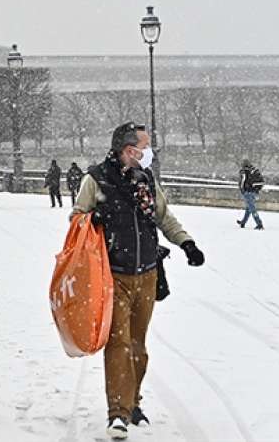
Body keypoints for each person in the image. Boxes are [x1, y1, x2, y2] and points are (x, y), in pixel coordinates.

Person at [72, 122, 205, 440]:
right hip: (113, 274)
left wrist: (186, 243)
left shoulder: (146, 178)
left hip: (147, 272)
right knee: (118, 342)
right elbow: (76, 218)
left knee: (138, 345)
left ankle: (132, 403)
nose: (150, 151)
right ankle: (117, 412)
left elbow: (163, 215)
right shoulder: (96, 179)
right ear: (129, 149)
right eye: (145, 145)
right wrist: (94, 219)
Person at [237, 160, 265, 230]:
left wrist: (243, 191)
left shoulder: (244, 172)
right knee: (248, 208)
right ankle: (243, 222)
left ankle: (259, 224)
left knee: (252, 209)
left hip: (248, 192)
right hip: (254, 192)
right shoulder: (254, 170)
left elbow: (242, 182)